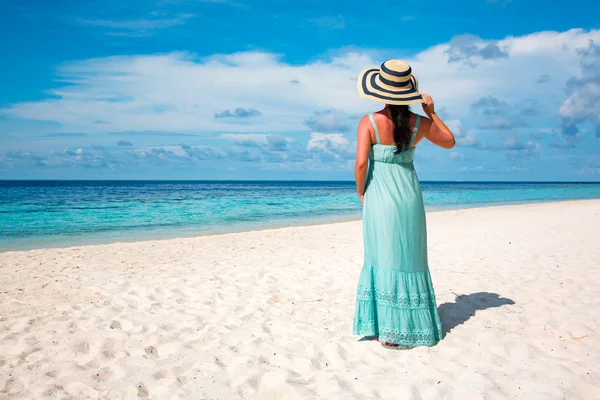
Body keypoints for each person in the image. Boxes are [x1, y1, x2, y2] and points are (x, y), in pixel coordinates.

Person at [352, 60, 456, 349]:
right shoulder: (419, 124)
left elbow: (361, 164)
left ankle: (385, 329)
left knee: (381, 256)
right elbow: (449, 142)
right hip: (409, 197)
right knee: (409, 258)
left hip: (379, 197)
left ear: (381, 91)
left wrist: (361, 192)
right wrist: (431, 113)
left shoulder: (368, 122)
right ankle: (406, 328)